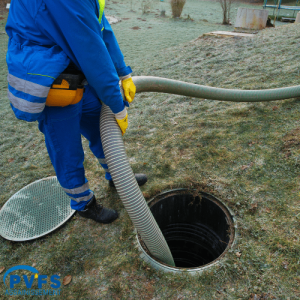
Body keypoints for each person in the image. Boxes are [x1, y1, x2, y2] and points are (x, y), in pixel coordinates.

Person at [5, 0, 147, 224]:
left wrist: (123, 73)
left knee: (102, 132)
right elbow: (91, 51)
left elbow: (100, 28)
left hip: (76, 71)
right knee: (67, 150)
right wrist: (118, 108)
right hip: (52, 80)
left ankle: (118, 176)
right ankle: (84, 203)